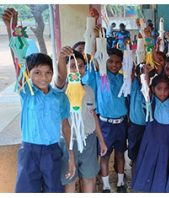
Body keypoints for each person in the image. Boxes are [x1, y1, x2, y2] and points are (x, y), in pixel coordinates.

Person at [3, 8, 76, 193]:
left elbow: (66, 126)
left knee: (53, 191)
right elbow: (19, 61)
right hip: (29, 152)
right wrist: (10, 28)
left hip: (52, 152)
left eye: (47, 73)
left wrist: (71, 155)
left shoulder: (58, 97)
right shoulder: (27, 93)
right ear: (29, 74)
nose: (43, 78)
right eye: (37, 73)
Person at [55, 48, 107, 192]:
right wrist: (61, 58)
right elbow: (60, 78)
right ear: (66, 69)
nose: (78, 70)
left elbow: (93, 116)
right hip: (68, 143)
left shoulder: (89, 90)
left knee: (89, 177)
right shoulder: (62, 90)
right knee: (70, 179)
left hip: (89, 140)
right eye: (72, 66)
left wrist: (101, 140)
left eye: (81, 66)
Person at [132, 74, 169, 192]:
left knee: (161, 175)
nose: (163, 92)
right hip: (149, 148)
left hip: (166, 149)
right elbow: (145, 94)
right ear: (153, 89)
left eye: (166, 89)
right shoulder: (150, 103)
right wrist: (145, 77)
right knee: (146, 173)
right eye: (159, 89)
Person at [95, 48, 128, 193]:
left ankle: (121, 183)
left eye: (117, 62)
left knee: (120, 154)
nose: (114, 65)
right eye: (110, 61)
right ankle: (106, 186)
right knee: (105, 155)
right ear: (105, 62)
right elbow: (94, 60)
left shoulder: (124, 79)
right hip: (105, 124)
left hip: (121, 123)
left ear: (122, 64)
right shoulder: (99, 77)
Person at [127, 64, 146, 180]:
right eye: (140, 73)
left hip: (147, 127)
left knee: (144, 154)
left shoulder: (150, 87)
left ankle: (142, 178)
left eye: (144, 73)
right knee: (134, 156)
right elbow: (131, 77)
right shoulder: (134, 86)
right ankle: (135, 180)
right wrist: (132, 69)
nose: (142, 76)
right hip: (135, 127)